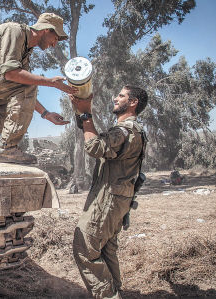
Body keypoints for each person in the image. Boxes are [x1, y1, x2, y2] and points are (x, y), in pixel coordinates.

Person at [0, 13, 77, 164]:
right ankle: (7, 148)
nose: (54, 44)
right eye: (56, 38)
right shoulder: (15, 31)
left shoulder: (25, 53)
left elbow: (23, 93)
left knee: (17, 97)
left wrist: (46, 114)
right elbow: (12, 74)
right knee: (28, 85)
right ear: (47, 29)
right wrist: (50, 82)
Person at [70, 85, 148, 299]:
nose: (115, 98)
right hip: (117, 200)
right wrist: (81, 111)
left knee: (84, 246)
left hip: (109, 200)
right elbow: (94, 136)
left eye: (121, 96)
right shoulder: (132, 130)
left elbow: (94, 147)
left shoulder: (125, 130)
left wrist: (86, 114)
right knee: (105, 249)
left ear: (133, 102)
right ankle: (115, 291)